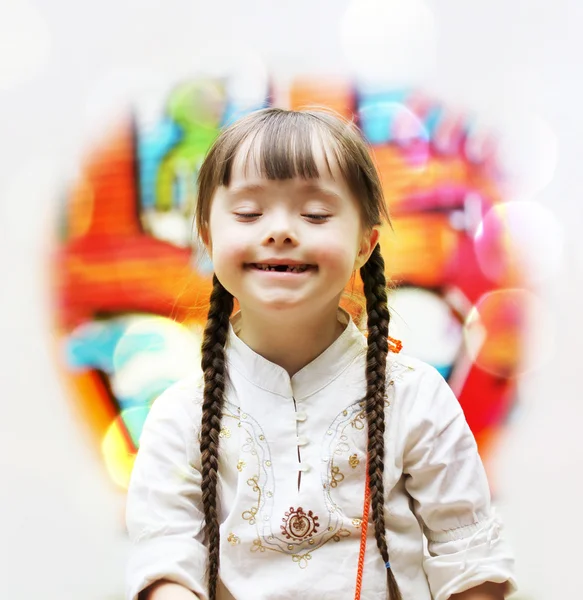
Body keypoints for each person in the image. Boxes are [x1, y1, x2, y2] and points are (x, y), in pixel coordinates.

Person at [125, 108, 516, 600]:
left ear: (364, 244)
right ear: (207, 235)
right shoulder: (180, 414)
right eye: (249, 213)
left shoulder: (415, 397)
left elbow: (472, 562)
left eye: (315, 214)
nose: (281, 231)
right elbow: (164, 560)